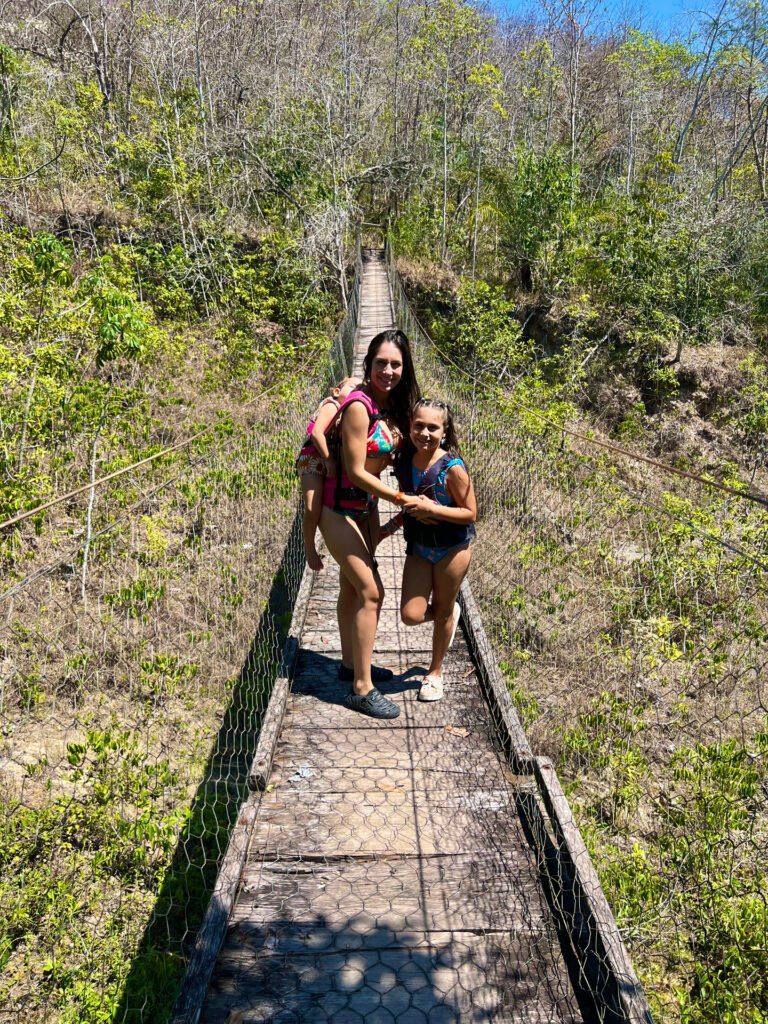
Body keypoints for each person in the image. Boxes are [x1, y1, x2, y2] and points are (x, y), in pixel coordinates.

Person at [317, 329, 421, 719]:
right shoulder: (360, 407)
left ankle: (350, 665)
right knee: (371, 591)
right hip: (337, 508)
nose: (388, 371)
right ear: (368, 363)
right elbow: (357, 471)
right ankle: (362, 689)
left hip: (363, 510)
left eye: (396, 364)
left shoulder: (392, 407)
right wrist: (400, 498)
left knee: (351, 589)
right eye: (381, 363)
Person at [395, 398, 477, 702]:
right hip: (419, 547)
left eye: (433, 427)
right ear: (410, 426)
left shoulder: (452, 468)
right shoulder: (406, 461)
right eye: (419, 426)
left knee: (441, 610)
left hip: (452, 549)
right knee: (410, 614)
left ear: (444, 431)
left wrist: (434, 508)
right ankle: (447, 614)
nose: (424, 433)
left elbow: (470, 513)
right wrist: (386, 530)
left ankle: (435, 673)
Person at [296, 376, 362, 571]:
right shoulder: (332, 405)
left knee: (328, 507)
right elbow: (317, 434)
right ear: (336, 391)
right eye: (352, 387)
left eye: (361, 389)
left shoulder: (350, 412)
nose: (356, 392)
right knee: (311, 507)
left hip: (330, 461)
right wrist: (328, 459)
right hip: (314, 459)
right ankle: (309, 548)